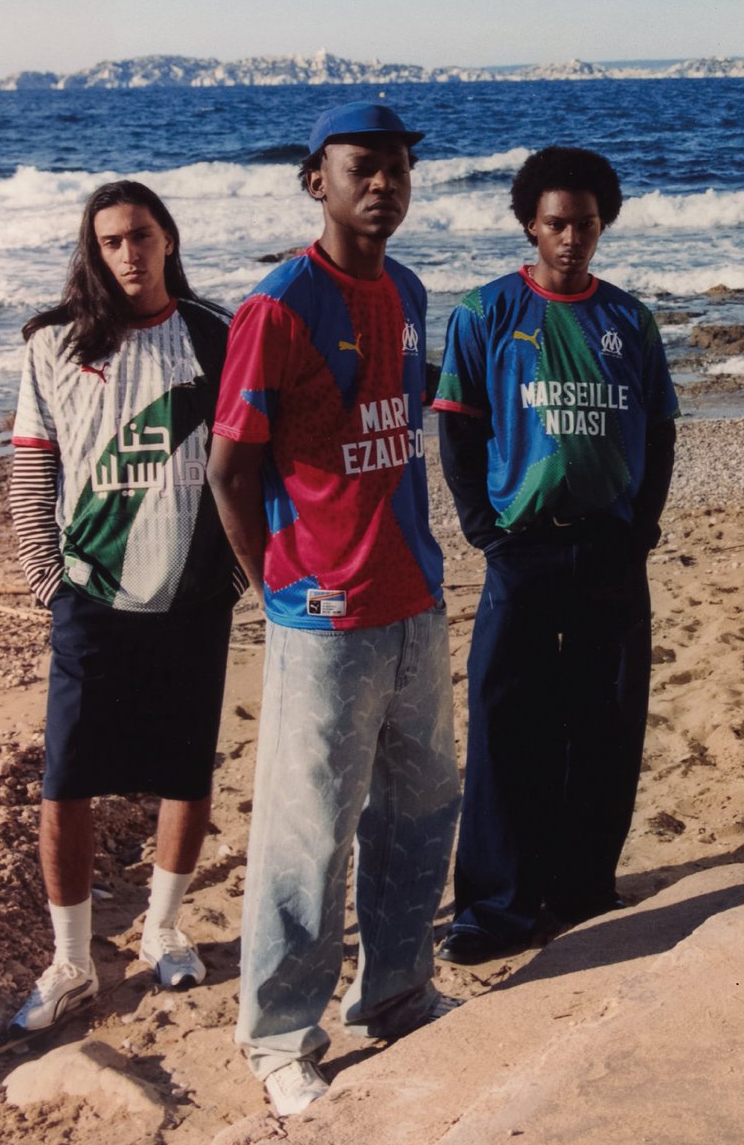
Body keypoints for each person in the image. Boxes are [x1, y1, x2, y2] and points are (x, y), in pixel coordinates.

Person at [208, 101, 460, 1117]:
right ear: (318, 179)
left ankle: (395, 989)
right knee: (307, 834)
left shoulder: (406, 288)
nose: (385, 183)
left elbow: (392, 431)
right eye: (364, 166)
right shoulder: (278, 306)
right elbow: (230, 467)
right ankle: (278, 1035)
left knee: (420, 808)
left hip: (414, 594)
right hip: (324, 613)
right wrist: (276, 585)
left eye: (399, 167)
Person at [432, 146, 678, 965]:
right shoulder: (485, 313)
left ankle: (580, 890)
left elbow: (664, 429)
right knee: (507, 725)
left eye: (585, 224)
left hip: (610, 551)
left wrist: (639, 529)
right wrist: (483, 528)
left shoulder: (630, 321)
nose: (571, 238)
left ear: (604, 224)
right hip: (523, 551)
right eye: (555, 224)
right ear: (529, 225)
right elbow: (459, 427)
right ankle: (494, 908)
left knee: (602, 723)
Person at [8, 181, 242, 1036]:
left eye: (140, 236)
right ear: (92, 251)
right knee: (67, 781)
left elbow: (254, 460)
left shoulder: (216, 336)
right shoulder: (54, 343)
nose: (128, 254)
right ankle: (72, 962)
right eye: (110, 242)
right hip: (91, 595)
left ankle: (164, 927)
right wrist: (45, 576)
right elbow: (32, 468)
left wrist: (240, 572)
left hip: (193, 593)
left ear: (168, 238)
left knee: (185, 770)